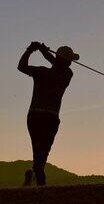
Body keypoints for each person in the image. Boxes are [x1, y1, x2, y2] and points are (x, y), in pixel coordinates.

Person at [17, 41, 79, 186]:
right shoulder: (67, 75)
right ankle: (39, 181)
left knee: (38, 151)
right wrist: (44, 51)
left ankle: (34, 176)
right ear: (66, 62)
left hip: (35, 115)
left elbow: (21, 67)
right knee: (42, 151)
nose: (71, 63)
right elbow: (58, 64)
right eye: (69, 60)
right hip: (50, 117)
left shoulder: (42, 72)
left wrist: (31, 50)